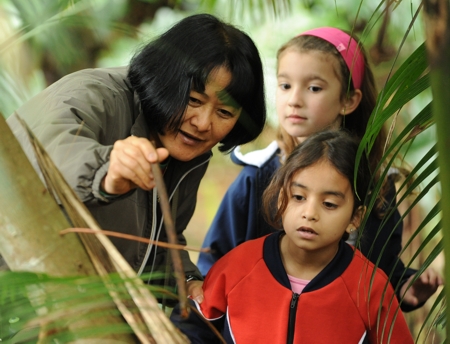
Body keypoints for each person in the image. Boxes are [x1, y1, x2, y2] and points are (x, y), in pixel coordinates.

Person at [6, 13, 266, 302]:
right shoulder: (89, 95)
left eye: (224, 113)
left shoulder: (186, 150)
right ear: (165, 77)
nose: (204, 123)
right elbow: (43, 156)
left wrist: (188, 283)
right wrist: (105, 172)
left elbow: (157, 244)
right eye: (194, 100)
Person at [196, 27, 442, 311]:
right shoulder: (258, 176)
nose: (294, 100)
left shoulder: (374, 185)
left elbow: (382, 272)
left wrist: (406, 287)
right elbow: (214, 265)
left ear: (349, 100)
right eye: (285, 85)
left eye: (313, 88)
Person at [172, 130, 415, 343]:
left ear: (355, 218)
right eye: (298, 197)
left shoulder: (371, 287)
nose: (309, 213)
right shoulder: (238, 267)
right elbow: (191, 328)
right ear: (281, 200)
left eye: (329, 204)